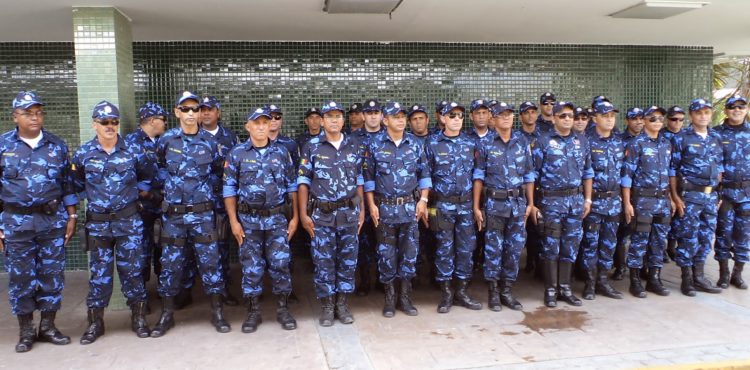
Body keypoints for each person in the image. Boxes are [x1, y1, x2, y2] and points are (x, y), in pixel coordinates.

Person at [72, 101, 156, 343]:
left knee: (133, 272)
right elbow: (76, 184)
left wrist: (133, 196)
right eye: (104, 122)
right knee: (100, 275)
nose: (110, 126)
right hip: (98, 225)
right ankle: (95, 323)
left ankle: (138, 319)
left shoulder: (133, 150)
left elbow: (147, 176)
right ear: (94, 124)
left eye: (114, 122)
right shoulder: (83, 153)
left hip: (128, 222)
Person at [1, 91, 77, 352]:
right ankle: (25, 331)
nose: (34, 117)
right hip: (16, 222)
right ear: (15, 116)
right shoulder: (3, 146)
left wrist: (72, 215)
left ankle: (47, 326)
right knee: (21, 277)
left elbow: (67, 184)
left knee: (51, 275)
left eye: (38, 112)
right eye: (27, 113)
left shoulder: (56, 145)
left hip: (51, 220)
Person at [150, 91, 229, 337]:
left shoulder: (210, 142)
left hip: (203, 215)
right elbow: (159, 169)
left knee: (211, 263)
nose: (191, 114)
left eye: (195, 109)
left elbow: (218, 173)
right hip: (174, 216)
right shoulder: (167, 141)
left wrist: (205, 195)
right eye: (185, 109)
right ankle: (167, 315)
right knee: (171, 264)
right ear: (177, 112)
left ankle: (217, 312)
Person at [224, 105, 299, 332]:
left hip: (277, 219)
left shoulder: (281, 152)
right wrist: (234, 222)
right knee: (251, 267)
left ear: (270, 126)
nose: (261, 127)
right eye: (256, 123)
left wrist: (295, 217)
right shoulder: (237, 153)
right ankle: (253, 312)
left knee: (280, 264)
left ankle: (283, 309)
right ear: (248, 126)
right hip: (248, 220)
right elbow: (229, 189)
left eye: (265, 123)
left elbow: (291, 186)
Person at [298, 100, 365, 326]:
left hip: (348, 213)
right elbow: (303, 183)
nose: (334, 120)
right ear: (322, 121)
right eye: (329, 117)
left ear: (343, 120)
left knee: (347, 261)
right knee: (323, 261)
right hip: (322, 215)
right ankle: (327, 306)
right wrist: (304, 215)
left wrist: (362, 210)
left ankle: (342, 305)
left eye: (337, 116)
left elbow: (359, 182)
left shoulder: (354, 146)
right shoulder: (312, 146)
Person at [363, 101, 431, 317]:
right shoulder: (374, 145)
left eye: (403, 116)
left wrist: (424, 200)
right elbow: (369, 179)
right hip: (384, 209)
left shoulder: (415, 144)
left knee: (409, 253)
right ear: (386, 120)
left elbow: (425, 175)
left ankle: (405, 297)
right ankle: (390, 298)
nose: (401, 120)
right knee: (386, 254)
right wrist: (372, 204)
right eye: (396, 116)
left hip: (410, 208)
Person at [472, 101, 534, 311]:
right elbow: (478, 177)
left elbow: (528, 175)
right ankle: (493, 292)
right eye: (501, 115)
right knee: (493, 249)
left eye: (509, 114)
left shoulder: (521, 142)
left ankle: (507, 290)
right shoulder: (486, 144)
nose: (506, 118)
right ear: (493, 119)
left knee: (514, 249)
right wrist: (476, 206)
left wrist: (531, 203)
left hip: (517, 204)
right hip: (494, 204)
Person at [531, 101, 593, 308]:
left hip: (575, 201)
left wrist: (588, 198)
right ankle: (551, 289)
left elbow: (587, 172)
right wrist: (534, 204)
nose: (568, 119)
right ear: (555, 118)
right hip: (551, 201)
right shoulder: (543, 141)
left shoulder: (582, 141)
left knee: (571, 244)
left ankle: (565, 288)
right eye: (563, 116)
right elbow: (533, 175)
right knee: (551, 246)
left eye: (571, 116)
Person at [424, 101, 482, 313]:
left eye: (459, 116)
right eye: (452, 115)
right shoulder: (432, 144)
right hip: (442, 205)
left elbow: (478, 175)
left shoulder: (470, 144)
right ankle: (447, 293)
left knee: (466, 249)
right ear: (443, 118)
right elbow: (425, 176)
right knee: (444, 249)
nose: (457, 119)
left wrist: (476, 205)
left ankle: (462, 291)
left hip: (465, 205)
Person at [670, 98, 723, 296]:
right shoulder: (681, 138)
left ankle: (699, 276)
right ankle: (687, 279)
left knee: (706, 236)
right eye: (699, 112)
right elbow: (672, 170)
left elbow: (720, 169)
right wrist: (675, 196)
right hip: (690, 196)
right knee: (688, 237)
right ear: (691, 115)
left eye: (707, 112)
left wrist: (719, 192)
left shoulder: (715, 138)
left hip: (710, 196)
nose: (703, 116)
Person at [621, 106, 674, 298]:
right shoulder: (637, 144)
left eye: (660, 119)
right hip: (643, 200)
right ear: (644, 121)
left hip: (662, 200)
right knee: (639, 241)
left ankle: (654, 278)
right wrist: (627, 203)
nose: (658, 122)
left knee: (659, 242)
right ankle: (635, 281)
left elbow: (670, 173)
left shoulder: (666, 144)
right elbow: (627, 176)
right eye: (653, 119)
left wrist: (672, 198)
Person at [581, 101, 624, 300]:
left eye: (612, 116)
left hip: (613, 203)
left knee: (609, 244)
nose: (609, 119)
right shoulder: (585, 141)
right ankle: (589, 283)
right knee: (591, 244)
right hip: (595, 203)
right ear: (595, 118)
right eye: (605, 116)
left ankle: (603, 282)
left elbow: (624, 174)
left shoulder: (618, 142)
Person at [199, 95, 240, 306]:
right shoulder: (190, 136)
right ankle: (191, 290)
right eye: (202, 109)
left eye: (210, 109)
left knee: (221, 244)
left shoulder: (230, 138)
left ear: (218, 112)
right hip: (197, 201)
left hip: (222, 200)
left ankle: (222, 288)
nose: (206, 113)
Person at [125, 102, 167, 295]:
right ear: (151, 120)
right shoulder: (130, 143)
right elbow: (127, 179)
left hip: (163, 205)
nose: (165, 123)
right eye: (163, 119)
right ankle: (141, 297)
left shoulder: (163, 141)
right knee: (140, 251)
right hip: (141, 208)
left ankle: (163, 290)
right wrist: (148, 193)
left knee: (164, 250)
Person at [714, 94, 750, 289]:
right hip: (725, 193)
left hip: (747, 194)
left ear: (746, 110)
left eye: (741, 107)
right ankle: (724, 274)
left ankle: (738, 273)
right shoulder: (717, 134)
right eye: (733, 107)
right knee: (723, 234)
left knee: (743, 235)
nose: (737, 110)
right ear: (726, 111)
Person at [612, 107, 645, 281]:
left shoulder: (651, 140)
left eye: (641, 118)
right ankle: (620, 266)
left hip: (644, 194)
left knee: (643, 233)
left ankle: (642, 269)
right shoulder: (619, 140)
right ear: (627, 121)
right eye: (634, 119)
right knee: (621, 232)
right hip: (624, 192)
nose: (638, 122)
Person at [662, 105, 686, 262]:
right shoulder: (661, 136)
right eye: (673, 119)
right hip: (663, 182)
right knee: (665, 216)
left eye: (681, 120)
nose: (677, 122)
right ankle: (662, 248)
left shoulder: (687, 136)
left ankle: (672, 246)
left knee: (680, 217)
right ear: (667, 120)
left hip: (683, 182)